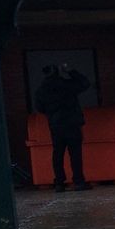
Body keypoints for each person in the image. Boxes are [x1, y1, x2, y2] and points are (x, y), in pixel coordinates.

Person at [35, 63, 91, 192]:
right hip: (72, 123)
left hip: (55, 125)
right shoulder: (67, 85)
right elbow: (85, 83)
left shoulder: (41, 90)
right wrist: (70, 71)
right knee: (75, 154)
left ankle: (59, 183)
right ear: (57, 72)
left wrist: (52, 114)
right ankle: (78, 182)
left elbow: (39, 108)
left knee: (57, 153)